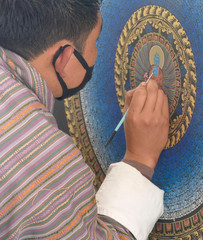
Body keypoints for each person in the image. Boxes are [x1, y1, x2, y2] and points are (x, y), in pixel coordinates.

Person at [0, 0, 169, 239]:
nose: (96, 54)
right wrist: (140, 159)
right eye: (96, 41)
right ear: (65, 56)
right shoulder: (38, 161)